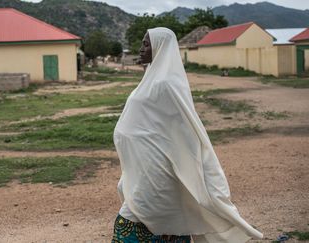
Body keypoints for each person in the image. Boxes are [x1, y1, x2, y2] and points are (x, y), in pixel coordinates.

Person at [112, 27, 263, 243]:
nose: (142, 48)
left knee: (130, 221)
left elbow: (184, 130)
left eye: (147, 44)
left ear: (161, 47)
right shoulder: (151, 79)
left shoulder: (166, 84)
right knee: (139, 218)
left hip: (158, 170)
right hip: (143, 168)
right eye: (143, 43)